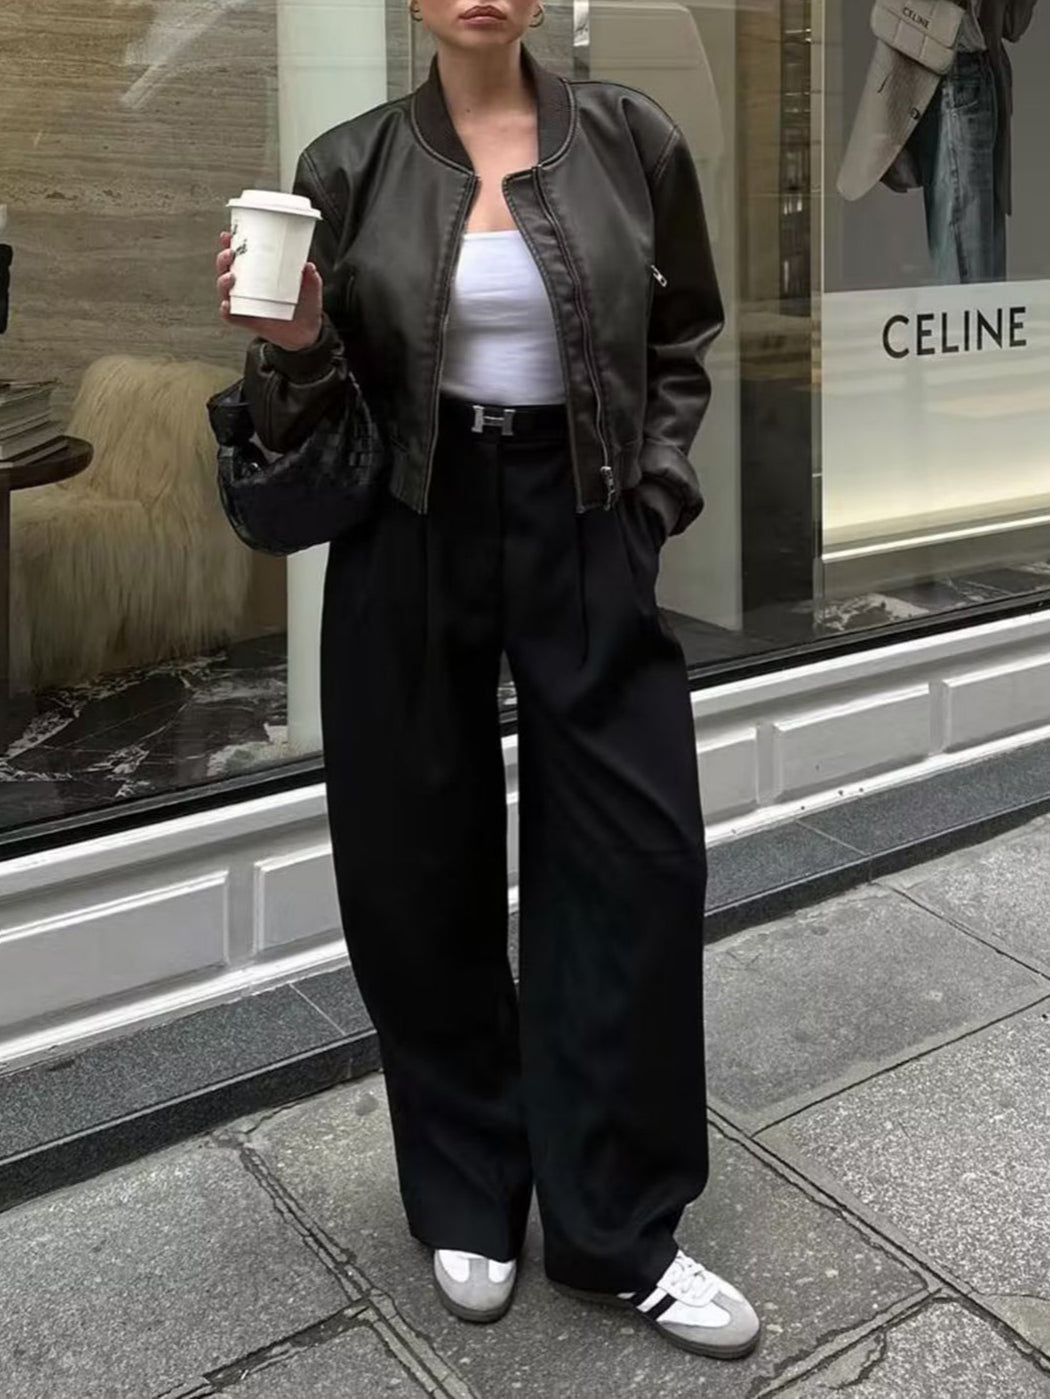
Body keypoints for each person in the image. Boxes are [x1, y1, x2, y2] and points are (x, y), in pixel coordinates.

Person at [214, 0, 761, 1362]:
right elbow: (313, 396)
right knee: (413, 864)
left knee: (636, 864)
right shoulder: (348, 165)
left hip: (584, 517)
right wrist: (297, 342)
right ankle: (467, 1190)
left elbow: (683, 334)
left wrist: (649, 503)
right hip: (411, 522)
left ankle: (617, 1228)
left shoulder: (630, 138)